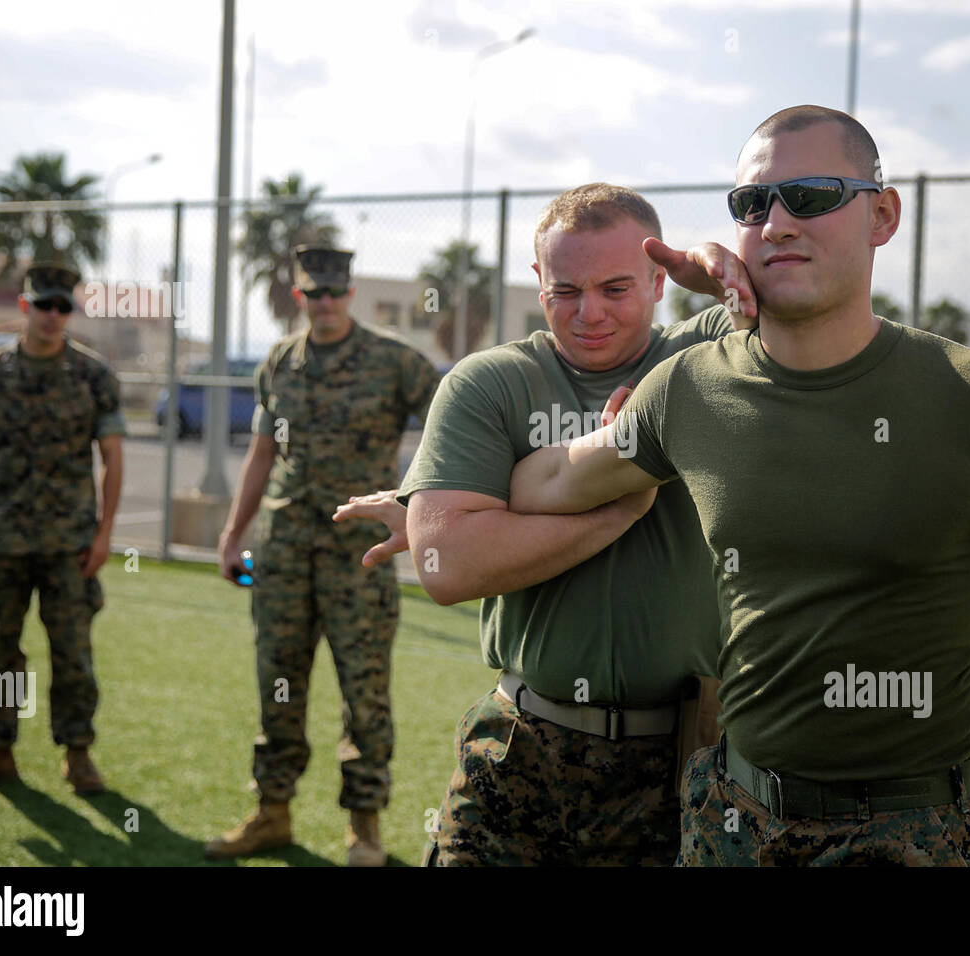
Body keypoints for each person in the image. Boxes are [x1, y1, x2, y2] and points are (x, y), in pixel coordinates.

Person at [507, 106, 970, 867]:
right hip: (732, 821)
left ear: (881, 215)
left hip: (917, 833)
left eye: (814, 195)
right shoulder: (688, 389)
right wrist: (431, 500)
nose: (778, 222)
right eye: (753, 204)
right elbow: (557, 475)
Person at [340, 183, 750, 866]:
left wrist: (718, 274)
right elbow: (448, 567)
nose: (588, 313)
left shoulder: (701, 356)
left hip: (682, 760)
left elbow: (797, 324)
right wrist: (621, 502)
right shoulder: (491, 383)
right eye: (566, 290)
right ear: (538, 283)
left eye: (616, 288)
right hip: (522, 745)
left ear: (658, 280)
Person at [205, 245, 440, 867]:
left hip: (355, 557)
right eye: (314, 293)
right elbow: (261, 452)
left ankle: (364, 829)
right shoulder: (280, 360)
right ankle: (271, 813)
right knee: (277, 686)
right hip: (282, 553)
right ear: (299, 296)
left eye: (336, 291)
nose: (326, 302)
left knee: (364, 692)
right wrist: (234, 533)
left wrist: (415, 502)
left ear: (351, 293)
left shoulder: (395, 361)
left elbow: (451, 425)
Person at [0, 263, 125, 797]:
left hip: (70, 544)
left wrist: (105, 533)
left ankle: (78, 754)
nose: (53, 316)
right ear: (25, 306)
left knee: (72, 651)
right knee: (0, 651)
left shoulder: (93, 375)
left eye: (63, 307)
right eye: (44, 305)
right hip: (2, 540)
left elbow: (112, 458)